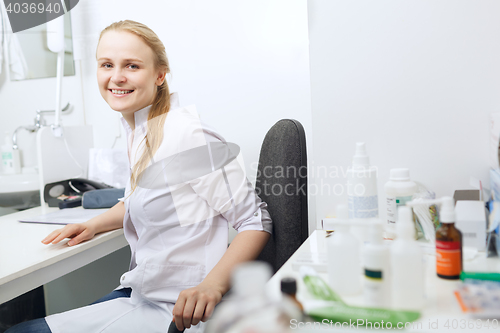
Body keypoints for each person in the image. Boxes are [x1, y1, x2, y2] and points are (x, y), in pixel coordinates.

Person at [7, 20, 271, 333]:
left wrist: (211, 286)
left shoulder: (187, 137)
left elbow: (255, 221)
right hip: (143, 292)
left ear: (160, 74)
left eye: (131, 65)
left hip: (179, 307)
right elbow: (136, 200)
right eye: (107, 64)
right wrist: (92, 225)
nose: (116, 77)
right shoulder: (140, 130)